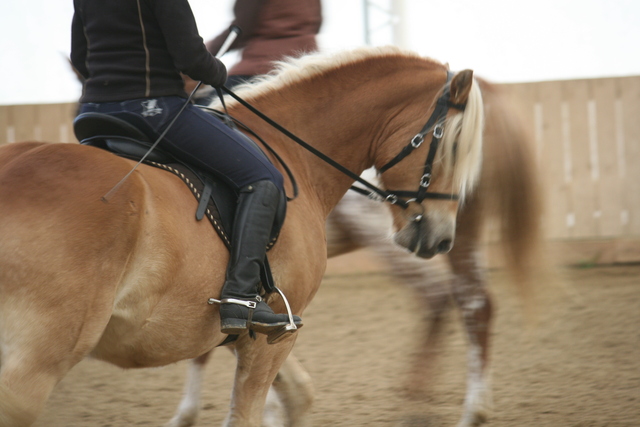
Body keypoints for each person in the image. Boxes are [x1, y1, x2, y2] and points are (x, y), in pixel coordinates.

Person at [71, 0, 301, 337]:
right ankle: (241, 296)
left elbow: (81, 57)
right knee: (262, 178)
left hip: (92, 112)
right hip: (153, 108)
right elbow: (191, 59)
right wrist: (218, 73)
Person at [186, 0, 322, 102]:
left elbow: (241, 28)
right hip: (305, 63)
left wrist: (203, 51)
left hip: (262, 66)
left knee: (205, 108)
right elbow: (318, 22)